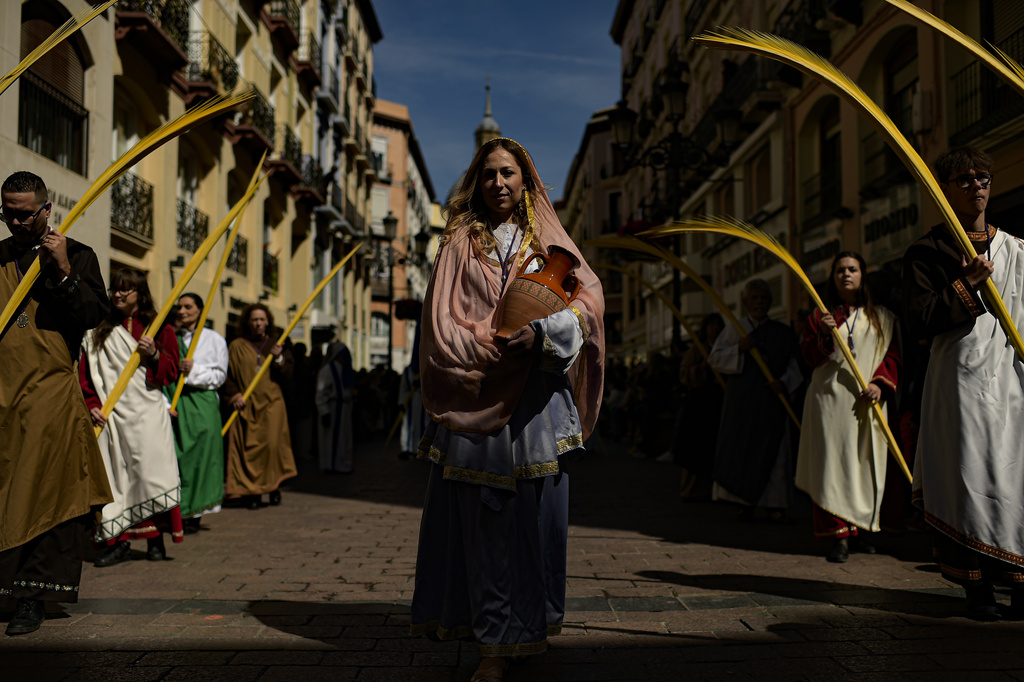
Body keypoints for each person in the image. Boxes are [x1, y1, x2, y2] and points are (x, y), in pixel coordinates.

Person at [408, 137, 604, 682]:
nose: (499, 183)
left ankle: (529, 626)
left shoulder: (549, 241)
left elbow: (589, 301)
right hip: (476, 399)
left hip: (538, 404)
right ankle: (492, 642)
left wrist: (543, 334)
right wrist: (492, 350)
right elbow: (440, 324)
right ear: (478, 180)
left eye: (509, 173)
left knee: (535, 523)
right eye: (489, 173)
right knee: (485, 525)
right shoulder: (456, 245)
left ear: (526, 181)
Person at [903, 146, 1024, 620]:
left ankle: (1019, 584)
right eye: (965, 179)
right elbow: (918, 320)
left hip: (1011, 377)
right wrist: (967, 283)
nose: (977, 185)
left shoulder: (1016, 250)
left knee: (1014, 476)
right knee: (972, 477)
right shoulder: (927, 252)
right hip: (961, 382)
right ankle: (977, 591)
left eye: (983, 177)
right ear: (946, 191)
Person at [0, 171, 113, 636]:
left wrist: (62, 269)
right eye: (6, 212)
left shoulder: (78, 255)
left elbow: (92, 316)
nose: (13, 221)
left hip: (48, 394)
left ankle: (33, 596)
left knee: (48, 493)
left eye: (23, 214)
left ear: (46, 211)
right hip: (2, 394)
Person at [795, 252, 899, 563]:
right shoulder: (820, 317)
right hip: (828, 404)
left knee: (865, 465)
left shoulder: (883, 317)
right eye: (840, 270)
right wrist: (825, 333)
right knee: (832, 467)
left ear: (862, 275)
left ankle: (862, 529)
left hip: (867, 402)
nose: (846, 274)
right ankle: (837, 536)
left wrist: (880, 383)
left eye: (852, 269)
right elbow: (808, 357)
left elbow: (892, 356)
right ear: (833, 277)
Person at [81, 267, 182, 565]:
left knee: (150, 477)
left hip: (148, 414)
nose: (118, 294)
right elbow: (86, 374)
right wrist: (91, 404)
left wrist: (153, 355)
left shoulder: (159, 326)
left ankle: (155, 540)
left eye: (126, 289)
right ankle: (119, 542)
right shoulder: (98, 329)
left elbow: (171, 371)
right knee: (117, 479)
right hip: (111, 414)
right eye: (116, 288)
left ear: (140, 293)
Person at [708, 279, 802, 521]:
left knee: (776, 451)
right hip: (743, 403)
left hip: (772, 402)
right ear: (745, 302)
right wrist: (738, 348)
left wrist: (784, 383)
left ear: (771, 301)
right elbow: (715, 359)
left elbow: (795, 366)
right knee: (743, 450)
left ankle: (775, 504)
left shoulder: (782, 332)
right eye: (755, 298)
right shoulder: (735, 329)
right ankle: (742, 501)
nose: (759, 302)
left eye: (763, 298)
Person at [221, 303, 296, 509]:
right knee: (249, 449)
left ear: (268, 322)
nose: (258, 324)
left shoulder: (277, 343)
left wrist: (279, 357)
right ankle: (251, 492)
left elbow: (288, 374)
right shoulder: (236, 345)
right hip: (246, 404)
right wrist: (234, 393)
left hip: (272, 405)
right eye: (254, 320)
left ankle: (274, 488)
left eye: (262, 320)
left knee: (272, 447)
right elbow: (225, 373)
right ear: (247, 322)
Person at [165, 293, 228, 532]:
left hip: (203, 406)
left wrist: (195, 370)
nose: (182, 311)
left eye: (188, 307)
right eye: (179, 307)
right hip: (178, 403)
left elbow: (220, 375)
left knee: (201, 459)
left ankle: (195, 512)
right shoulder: (171, 337)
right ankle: (179, 510)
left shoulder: (214, 339)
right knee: (179, 457)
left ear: (200, 310)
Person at [675, 313, 725, 498]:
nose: (715, 328)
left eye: (718, 324)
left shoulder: (725, 347)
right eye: (711, 324)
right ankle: (691, 490)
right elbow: (684, 373)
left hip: (718, 402)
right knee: (695, 448)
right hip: (699, 405)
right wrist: (701, 368)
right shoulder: (697, 349)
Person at [315, 341, 355, 473]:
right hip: (333, 408)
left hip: (344, 408)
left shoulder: (345, 369)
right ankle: (330, 465)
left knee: (344, 439)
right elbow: (321, 392)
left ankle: (343, 464)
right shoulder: (328, 370)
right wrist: (324, 411)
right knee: (331, 439)